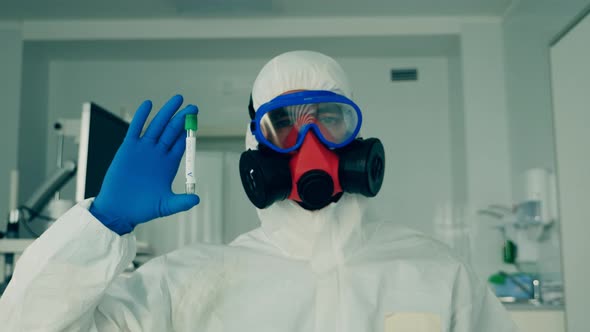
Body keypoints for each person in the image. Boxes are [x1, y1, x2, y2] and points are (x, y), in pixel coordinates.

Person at [0, 51, 517, 331]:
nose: (311, 143)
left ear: (357, 142)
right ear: (256, 147)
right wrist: (101, 224)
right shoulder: (190, 283)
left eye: (329, 121)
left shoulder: (437, 274)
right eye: (285, 126)